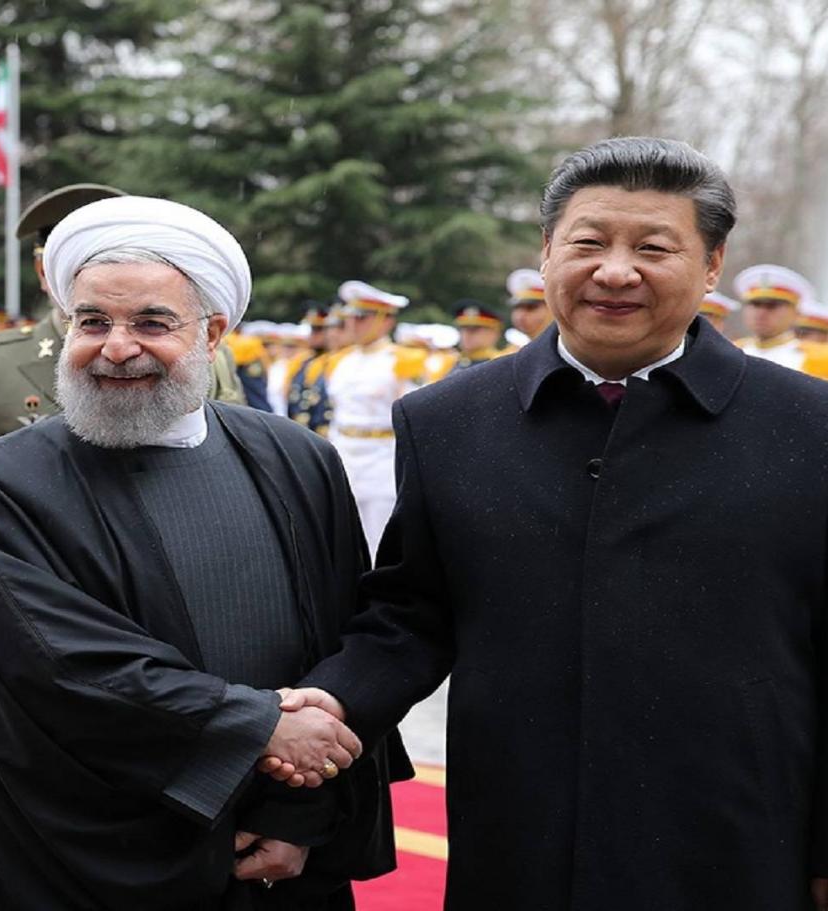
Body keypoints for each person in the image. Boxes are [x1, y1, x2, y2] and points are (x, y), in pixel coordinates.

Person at [266, 137, 828, 909]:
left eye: (653, 247)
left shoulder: (806, 426)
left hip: (735, 836)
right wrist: (333, 701)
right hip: (523, 832)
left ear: (712, 265)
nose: (616, 271)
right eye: (589, 242)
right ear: (546, 251)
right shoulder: (450, 421)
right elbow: (412, 613)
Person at [0, 194, 408, 910]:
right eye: (91, 321)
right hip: (94, 851)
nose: (116, 347)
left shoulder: (297, 458)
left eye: (152, 323)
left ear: (212, 332)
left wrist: (298, 814)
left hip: (281, 846)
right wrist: (263, 727)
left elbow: (342, 644)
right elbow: (65, 668)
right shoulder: (6, 481)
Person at [0, 182, 245, 704]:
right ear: (45, 270)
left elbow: (234, 470)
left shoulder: (200, 355)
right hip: (43, 622)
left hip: (189, 608)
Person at [324, 280, 426, 549]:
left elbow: (415, 418)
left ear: (386, 320)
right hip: (344, 452)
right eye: (350, 317)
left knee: (378, 539)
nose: (353, 324)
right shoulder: (340, 360)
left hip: (382, 458)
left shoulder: (404, 360)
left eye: (362, 317)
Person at [731, 263, 828, 378]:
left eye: (772, 306)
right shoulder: (731, 352)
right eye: (755, 304)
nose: (761, 312)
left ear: (797, 313)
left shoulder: (818, 359)